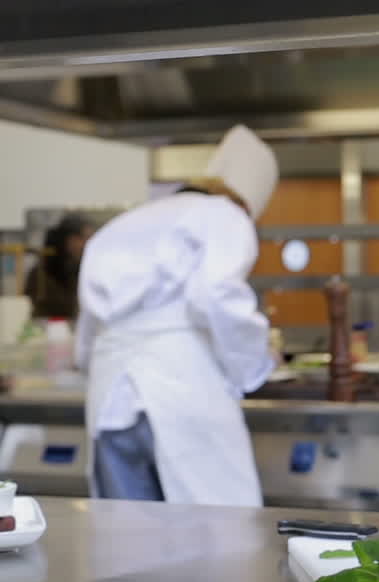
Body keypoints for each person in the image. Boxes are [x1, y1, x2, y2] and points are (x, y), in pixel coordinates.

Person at [75, 125, 279, 506]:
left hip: (108, 396)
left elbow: (88, 331)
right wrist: (256, 364)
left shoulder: (124, 224)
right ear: (246, 202)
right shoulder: (224, 215)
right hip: (181, 388)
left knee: (127, 542)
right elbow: (218, 296)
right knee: (215, 539)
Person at [24, 213, 95, 320]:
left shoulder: (81, 269)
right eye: (85, 238)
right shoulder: (42, 274)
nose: (88, 244)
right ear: (70, 239)